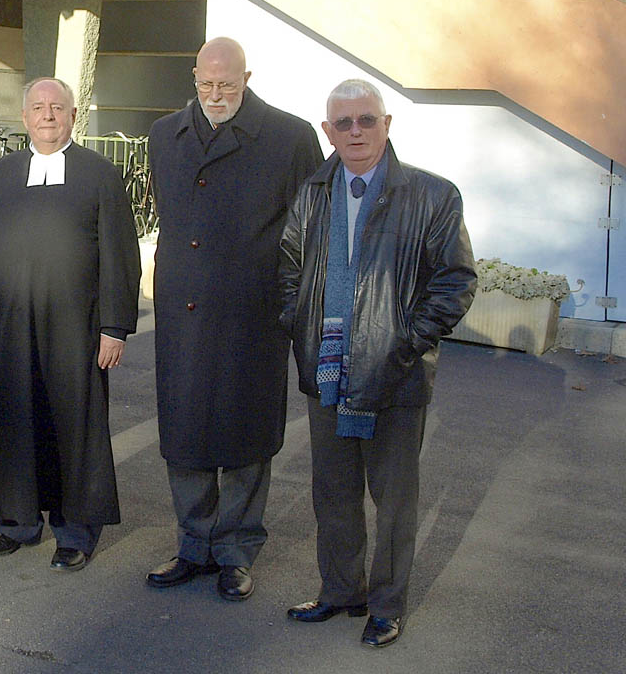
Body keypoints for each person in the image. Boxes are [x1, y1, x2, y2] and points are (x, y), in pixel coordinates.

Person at [278, 78, 475, 648]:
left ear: (387, 124)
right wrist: (301, 325)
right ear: (328, 131)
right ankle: (341, 589)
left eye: (367, 120)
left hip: (395, 372)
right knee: (333, 491)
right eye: (344, 123)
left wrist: (405, 343)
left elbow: (455, 281)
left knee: (393, 499)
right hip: (328, 370)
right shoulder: (314, 191)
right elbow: (288, 267)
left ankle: (386, 605)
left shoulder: (434, 195)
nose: (356, 131)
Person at [146, 37, 322, 600]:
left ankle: (237, 552)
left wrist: (291, 306)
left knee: (245, 437)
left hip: (253, 316)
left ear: (248, 77)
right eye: (206, 84)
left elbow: (309, 234)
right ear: (193, 76)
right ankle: (193, 545)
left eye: (227, 83)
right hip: (182, 316)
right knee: (185, 433)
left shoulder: (291, 137)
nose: (215, 95)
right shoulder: (163, 135)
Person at [0, 77, 141, 572]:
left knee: (72, 425)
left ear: (72, 114)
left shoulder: (100, 175)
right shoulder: (2, 175)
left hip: (75, 330)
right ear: (24, 118)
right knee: (13, 421)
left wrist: (115, 327)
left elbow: (121, 258)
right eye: (38, 107)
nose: (47, 115)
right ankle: (16, 522)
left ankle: (74, 530)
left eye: (56, 107)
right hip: (10, 323)